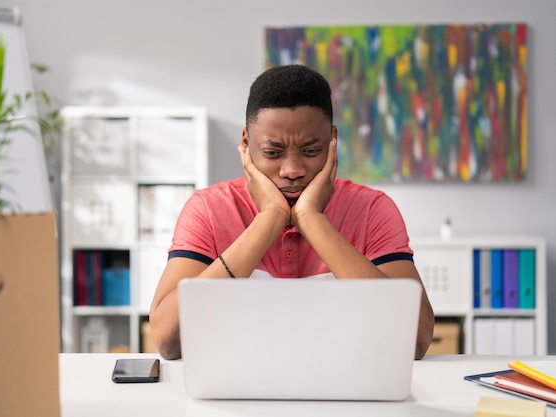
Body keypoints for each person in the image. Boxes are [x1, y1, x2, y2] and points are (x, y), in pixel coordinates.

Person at [149, 64, 434, 360]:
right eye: (272, 153)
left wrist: (312, 218)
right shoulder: (208, 209)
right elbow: (168, 339)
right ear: (246, 144)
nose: (292, 171)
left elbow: (416, 339)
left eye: (311, 151)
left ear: (332, 141)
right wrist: (270, 217)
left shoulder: (373, 209)